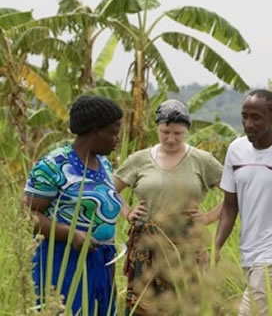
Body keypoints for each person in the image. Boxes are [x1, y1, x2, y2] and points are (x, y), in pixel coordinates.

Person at [114, 99, 223, 315]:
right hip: (147, 247)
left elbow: (233, 193)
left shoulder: (202, 160)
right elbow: (110, 189)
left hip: (186, 247)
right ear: (157, 128)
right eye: (165, 132)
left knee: (187, 303)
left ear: (187, 131)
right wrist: (127, 212)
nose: (171, 139)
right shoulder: (139, 159)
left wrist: (208, 217)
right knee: (144, 306)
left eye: (178, 133)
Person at [24, 95, 124, 315]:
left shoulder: (104, 164)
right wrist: (70, 234)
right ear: (95, 130)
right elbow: (27, 215)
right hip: (62, 262)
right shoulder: (54, 166)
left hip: (100, 261)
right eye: (114, 131)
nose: (118, 139)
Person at [215, 90, 272, 316]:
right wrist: (216, 246)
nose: (248, 123)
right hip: (248, 252)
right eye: (245, 116)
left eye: (256, 117)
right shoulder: (236, 149)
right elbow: (230, 206)